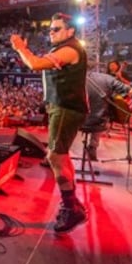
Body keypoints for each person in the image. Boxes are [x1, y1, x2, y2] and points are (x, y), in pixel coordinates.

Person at [10, 12, 88, 233]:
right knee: (60, 156)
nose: (51, 33)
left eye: (56, 29)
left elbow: (35, 65)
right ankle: (73, 202)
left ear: (70, 31)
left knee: (55, 156)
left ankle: (72, 209)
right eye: (50, 29)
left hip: (65, 109)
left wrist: (20, 48)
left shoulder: (70, 49)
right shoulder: (63, 48)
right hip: (61, 108)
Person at [84, 71, 132, 161]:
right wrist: (117, 99)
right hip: (99, 122)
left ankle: (62, 151)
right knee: (101, 116)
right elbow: (131, 91)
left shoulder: (76, 78)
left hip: (77, 121)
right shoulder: (108, 79)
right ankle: (93, 146)